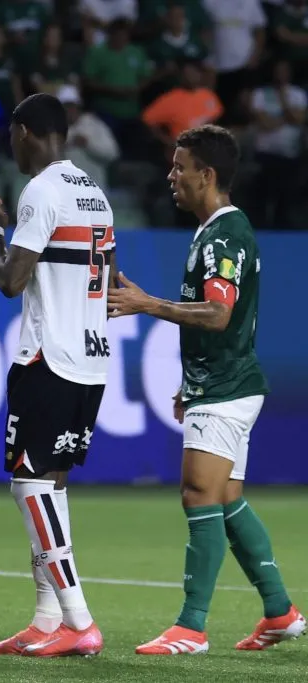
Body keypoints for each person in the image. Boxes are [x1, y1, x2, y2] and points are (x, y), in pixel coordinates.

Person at [107, 124, 305, 655]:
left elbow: (217, 315)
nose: (172, 176)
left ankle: (191, 627)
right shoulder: (215, 231)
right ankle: (280, 611)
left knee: (198, 493)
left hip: (226, 387)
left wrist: (150, 305)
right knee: (227, 499)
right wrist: (188, 379)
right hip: (223, 381)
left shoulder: (223, 235)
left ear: (207, 174)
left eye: (180, 167)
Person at [0, 92, 114, 658]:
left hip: (48, 357)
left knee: (30, 484)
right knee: (51, 484)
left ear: (27, 131)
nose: (10, 144)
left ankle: (78, 620)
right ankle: (46, 618)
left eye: (12, 134)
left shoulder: (41, 191)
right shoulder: (94, 192)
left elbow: (10, 282)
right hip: (91, 355)